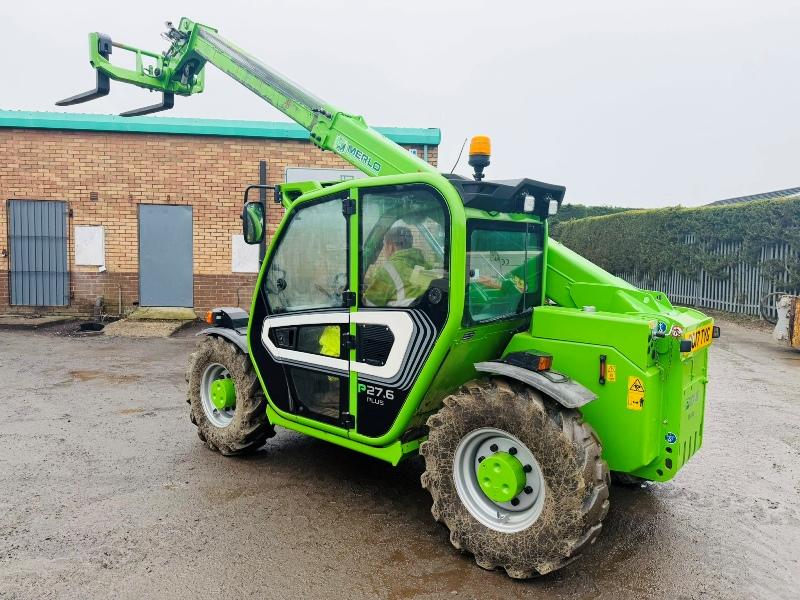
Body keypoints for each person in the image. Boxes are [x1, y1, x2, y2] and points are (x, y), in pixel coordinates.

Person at [363, 225, 432, 306]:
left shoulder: (388, 270)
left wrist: (364, 295)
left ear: (391, 246)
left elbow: (370, 304)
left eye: (385, 245)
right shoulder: (426, 265)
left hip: (397, 317)